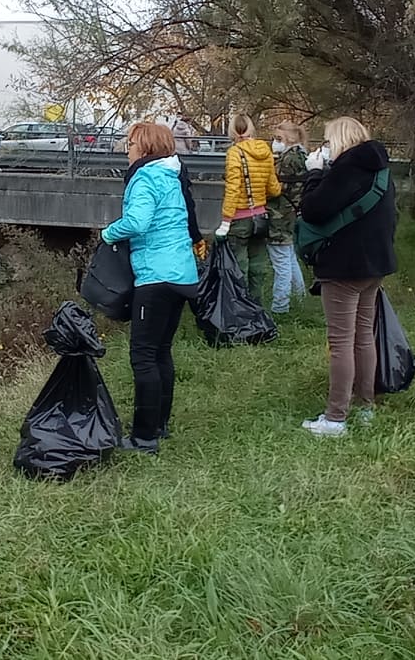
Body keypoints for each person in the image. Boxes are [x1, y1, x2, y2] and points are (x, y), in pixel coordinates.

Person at [100, 121, 200, 454]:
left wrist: (108, 233)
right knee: (161, 352)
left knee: (143, 356)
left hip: (155, 276)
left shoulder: (145, 177)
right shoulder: (172, 176)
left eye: (129, 144)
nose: (127, 150)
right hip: (182, 276)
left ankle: (144, 438)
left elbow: (138, 222)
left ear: (143, 147)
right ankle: (160, 424)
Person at [298, 117, 397, 437]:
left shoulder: (346, 168)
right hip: (375, 265)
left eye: (327, 141)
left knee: (341, 342)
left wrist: (313, 174)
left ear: (338, 140)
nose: (326, 148)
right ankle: (365, 406)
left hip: (343, 267)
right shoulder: (380, 169)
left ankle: (335, 418)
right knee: (363, 336)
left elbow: (313, 209)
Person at [214, 113, 281, 302]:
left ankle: (239, 307)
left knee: (239, 265)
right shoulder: (265, 150)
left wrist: (226, 220)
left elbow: (233, 189)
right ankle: (257, 306)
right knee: (258, 266)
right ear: (251, 129)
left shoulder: (235, 152)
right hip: (260, 217)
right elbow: (274, 189)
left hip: (240, 219)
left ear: (232, 131)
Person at [267, 121, 309, 314]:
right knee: (290, 259)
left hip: (279, 216)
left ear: (288, 138)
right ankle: (300, 300)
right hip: (292, 214)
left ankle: (280, 307)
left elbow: (274, 186)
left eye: (278, 138)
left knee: (281, 264)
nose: (275, 143)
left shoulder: (287, 160)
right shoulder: (303, 155)